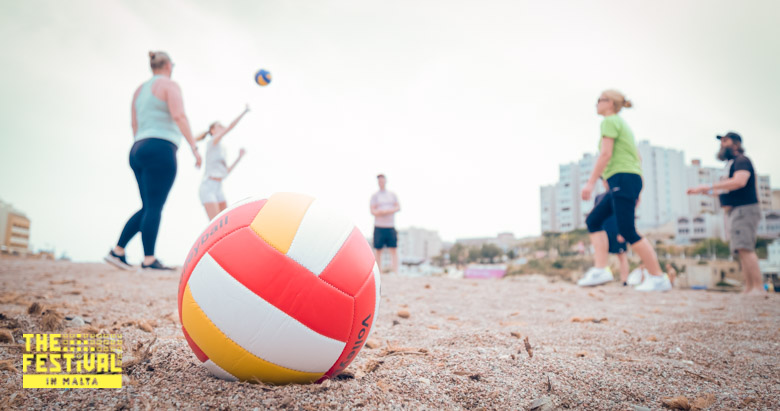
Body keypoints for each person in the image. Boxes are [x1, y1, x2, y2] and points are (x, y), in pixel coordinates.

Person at [104, 51, 202, 271]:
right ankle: (148, 259)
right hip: (161, 148)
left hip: (138, 148)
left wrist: (142, 145)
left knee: (149, 206)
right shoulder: (170, 86)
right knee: (154, 206)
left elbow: (133, 124)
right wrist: (194, 148)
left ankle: (118, 251)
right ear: (168, 65)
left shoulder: (139, 90)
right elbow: (179, 116)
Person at [578, 90, 671, 291]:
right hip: (623, 180)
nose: (596, 104)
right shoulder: (621, 125)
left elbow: (605, 154)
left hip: (623, 179)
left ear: (609, 103)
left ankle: (658, 277)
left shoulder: (610, 121)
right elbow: (637, 157)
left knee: (627, 230)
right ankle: (601, 269)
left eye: (599, 100)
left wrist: (591, 182)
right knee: (593, 220)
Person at [687, 132, 763, 295]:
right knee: (741, 249)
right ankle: (749, 287)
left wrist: (708, 186)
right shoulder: (731, 164)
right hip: (735, 210)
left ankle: (757, 287)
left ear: (736, 144)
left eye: (725, 141)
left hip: (745, 208)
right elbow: (726, 188)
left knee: (746, 248)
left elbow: (739, 181)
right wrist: (703, 190)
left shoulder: (742, 161)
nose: (722, 144)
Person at [196, 105, 250, 220]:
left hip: (218, 187)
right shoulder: (212, 142)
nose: (221, 127)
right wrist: (244, 112)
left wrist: (239, 158)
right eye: (218, 126)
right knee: (216, 223)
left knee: (227, 220)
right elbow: (230, 127)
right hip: (208, 186)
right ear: (213, 130)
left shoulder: (223, 149)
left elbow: (226, 172)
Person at [593, 186, 630, 285]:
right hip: (603, 230)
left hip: (617, 229)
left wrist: (623, 231)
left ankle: (624, 281)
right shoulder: (598, 197)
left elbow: (625, 213)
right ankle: (600, 278)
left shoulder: (619, 194)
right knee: (600, 255)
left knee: (622, 255)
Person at [370, 174, 400, 274]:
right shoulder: (375, 196)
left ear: (385, 181)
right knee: (378, 250)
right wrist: (381, 212)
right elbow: (372, 211)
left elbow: (398, 207)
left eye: (382, 181)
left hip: (390, 226)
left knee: (393, 249)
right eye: (379, 181)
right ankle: (379, 272)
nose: (381, 183)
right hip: (379, 226)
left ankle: (395, 271)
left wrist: (387, 211)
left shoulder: (392, 195)